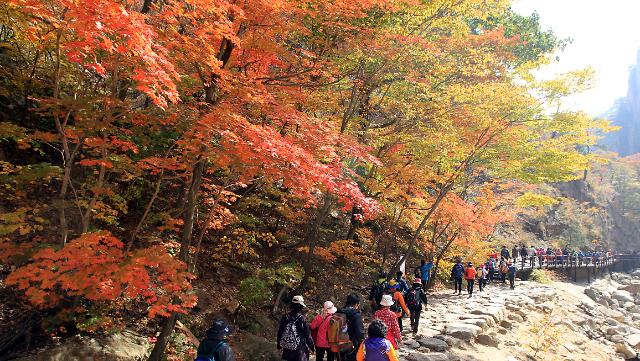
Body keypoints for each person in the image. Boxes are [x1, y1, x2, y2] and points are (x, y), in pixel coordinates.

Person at [277, 295, 315, 361]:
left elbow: (280, 332)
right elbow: (307, 334)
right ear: (301, 306)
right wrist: (312, 347)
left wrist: (279, 345)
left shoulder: (285, 317)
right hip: (300, 349)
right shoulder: (302, 318)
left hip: (287, 347)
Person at [338, 294, 365, 361]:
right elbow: (360, 333)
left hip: (337, 344)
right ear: (356, 304)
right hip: (351, 345)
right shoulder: (356, 315)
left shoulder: (339, 312)